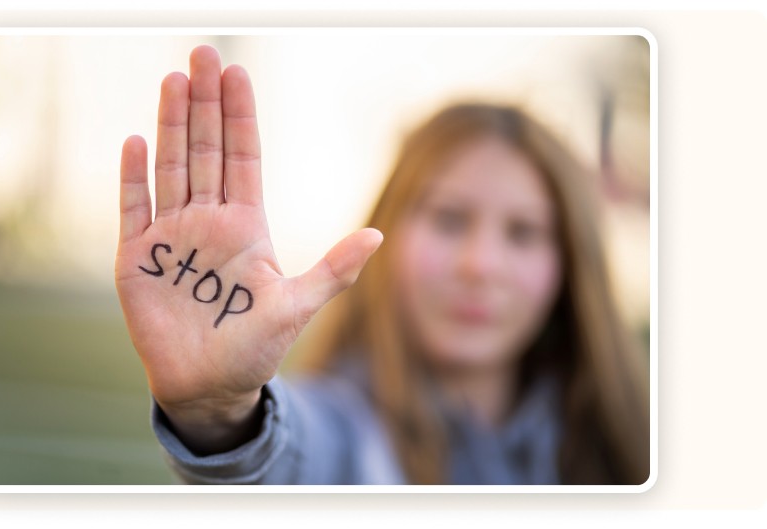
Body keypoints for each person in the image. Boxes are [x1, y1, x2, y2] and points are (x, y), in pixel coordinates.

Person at [115, 45, 650, 485]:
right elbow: (290, 458)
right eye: (449, 219)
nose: (480, 265)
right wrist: (220, 412)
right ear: (388, 234)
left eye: (523, 232)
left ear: (572, 264)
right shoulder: (345, 434)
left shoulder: (641, 438)